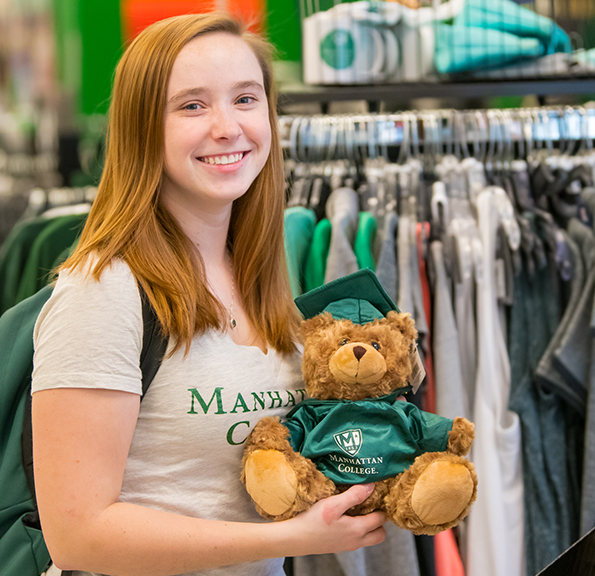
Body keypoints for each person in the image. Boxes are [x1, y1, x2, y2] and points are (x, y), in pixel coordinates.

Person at [30, 12, 386, 576]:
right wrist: (290, 537)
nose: (228, 127)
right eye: (192, 105)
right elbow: (78, 534)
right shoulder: (103, 290)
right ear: (143, 127)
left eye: (246, 99)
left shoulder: (259, 274)